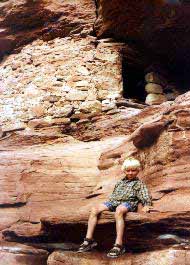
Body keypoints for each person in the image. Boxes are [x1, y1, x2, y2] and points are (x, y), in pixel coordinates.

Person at [77, 157, 153, 258]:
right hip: (114, 202)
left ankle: (118, 245)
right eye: (128, 170)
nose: (130, 173)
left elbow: (145, 195)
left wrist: (146, 205)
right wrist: (109, 204)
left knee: (119, 210)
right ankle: (88, 240)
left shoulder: (139, 184)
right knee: (95, 209)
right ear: (124, 171)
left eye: (133, 170)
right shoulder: (120, 182)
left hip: (128, 203)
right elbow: (113, 196)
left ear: (138, 170)